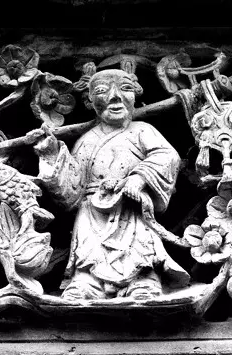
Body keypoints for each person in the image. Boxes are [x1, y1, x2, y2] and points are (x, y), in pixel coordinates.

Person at [33, 68, 190, 301]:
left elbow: (167, 156)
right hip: (92, 209)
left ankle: (142, 281)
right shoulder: (85, 140)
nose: (115, 97)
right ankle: (87, 283)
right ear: (90, 101)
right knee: (89, 250)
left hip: (129, 203)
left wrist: (138, 178)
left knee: (138, 246)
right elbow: (73, 189)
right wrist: (51, 155)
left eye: (125, 88)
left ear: (135, 96)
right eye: (101, 91)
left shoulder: (143, 130)